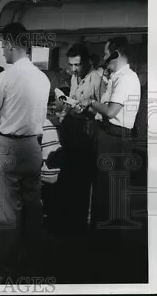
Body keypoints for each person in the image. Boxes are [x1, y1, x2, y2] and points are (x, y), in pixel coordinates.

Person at [0, 22, 50, 278]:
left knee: (8, 209)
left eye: (2, 46)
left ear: (10, 44)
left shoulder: (5, 77)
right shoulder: (43, 78)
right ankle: (33, 260)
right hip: (33, 148)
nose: (3, 51)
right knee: (33, 205)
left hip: (9, 148)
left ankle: (6, 267)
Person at [79, 37, 141, 249]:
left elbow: (112, 111)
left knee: (110, 192)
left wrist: (91, 102)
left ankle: (110, 245)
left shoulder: (127, 79)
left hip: (116, 139)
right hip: (106, 135)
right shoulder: (116, 77)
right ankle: (102, 239)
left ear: (115, 54)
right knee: (103, 191)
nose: (104, 58)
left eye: (106, 54)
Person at [57, 43, 105, 235]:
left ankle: (81, 225)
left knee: (82, 178)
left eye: (77, 65)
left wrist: (87, 108)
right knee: (70, 177)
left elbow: (105, 110)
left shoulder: (97, 79)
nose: (74, 69)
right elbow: (73, 98)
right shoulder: (76, 78)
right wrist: (65, 108)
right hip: (72, 129)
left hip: (87, 130)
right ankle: (70, 219)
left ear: (86, 62)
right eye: (71, 65)